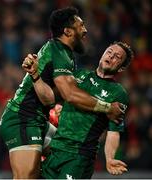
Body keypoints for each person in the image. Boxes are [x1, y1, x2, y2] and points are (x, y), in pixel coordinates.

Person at [0, 7, 123, 179]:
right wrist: (108, 107)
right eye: (81, 26)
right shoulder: (59, 52)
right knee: (26, 178)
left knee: (69, 148)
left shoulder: (64, 53)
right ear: (67, 31)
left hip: (37, 119)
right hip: (22, 119)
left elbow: (50, 98)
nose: (85, 31)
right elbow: (70, 94)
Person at [40, 41, 134, 179]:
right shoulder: (79, 75)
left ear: (121, 68)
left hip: (79, 156)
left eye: (117, 57)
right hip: (55, 150)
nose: (111, 56)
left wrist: (110, 158)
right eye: (109, 52)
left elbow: (114, 131)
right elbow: (55, 97)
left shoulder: (118, 93)